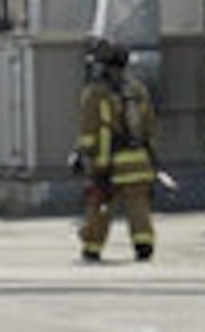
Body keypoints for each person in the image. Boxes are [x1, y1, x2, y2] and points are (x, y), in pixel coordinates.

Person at [71, 38, 158, 263]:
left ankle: (92, 247)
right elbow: (149, 126)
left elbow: (89, 130)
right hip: (139, 160)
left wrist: (84, 156)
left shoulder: (95, 93)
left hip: (107, 162)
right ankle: (143, 244)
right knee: (138, 206)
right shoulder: (138, 90)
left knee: (99, 205)